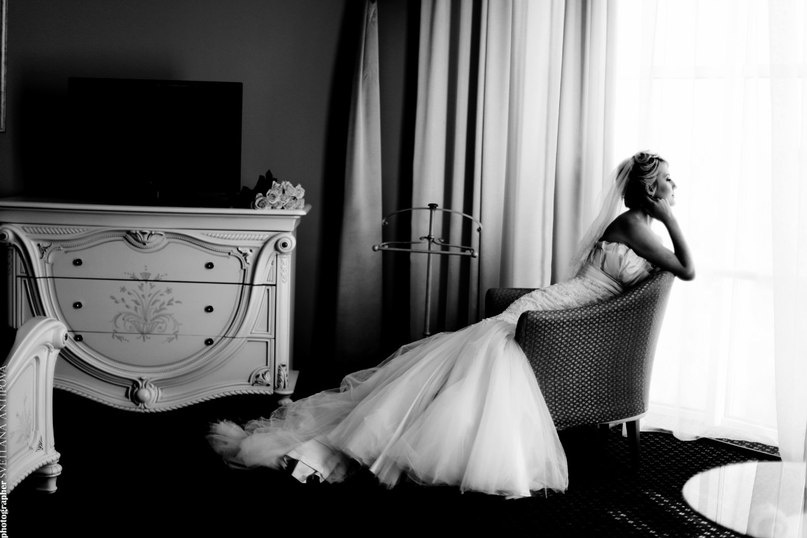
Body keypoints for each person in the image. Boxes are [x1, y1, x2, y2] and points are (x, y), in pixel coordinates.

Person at [208, 151, 694, 499]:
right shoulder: (635, 226)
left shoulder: (638, 228)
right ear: (652, 190)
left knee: (470, 367)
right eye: (669, 180)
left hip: (562, 308)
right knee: (482, 360)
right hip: (552, 309)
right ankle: (369, 439)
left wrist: (665, 217)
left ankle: (390, 433)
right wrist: (670, 217)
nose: (675, 185)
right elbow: (687, 269)